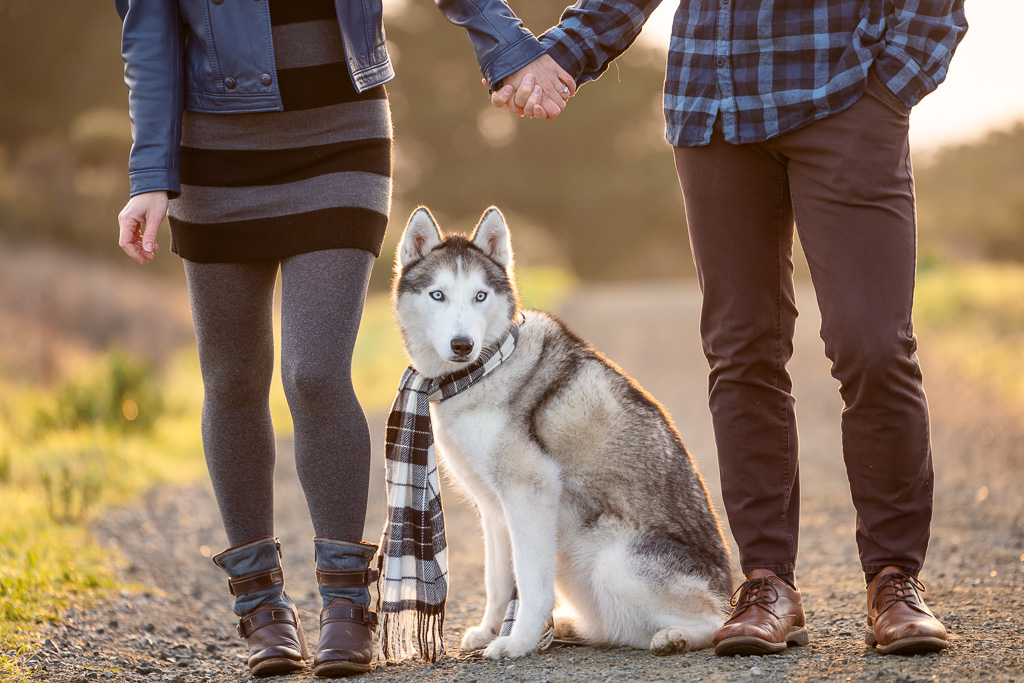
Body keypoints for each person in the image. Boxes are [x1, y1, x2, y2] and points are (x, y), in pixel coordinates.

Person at [492, 0, 967, 657]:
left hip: (848, 87)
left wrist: (896, 80)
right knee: (743, 349)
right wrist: (564, 54)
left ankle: (893, 580)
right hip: (715, 99)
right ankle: (767, 582)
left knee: (873, 343)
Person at [113, 0, 572, 677]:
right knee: (233, 376)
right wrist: (150, 173)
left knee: (315, 370)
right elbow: (147, 34)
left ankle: (344, 603)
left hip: (343, 137)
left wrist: (511, 49)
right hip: (214, 152)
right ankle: (262, 608)